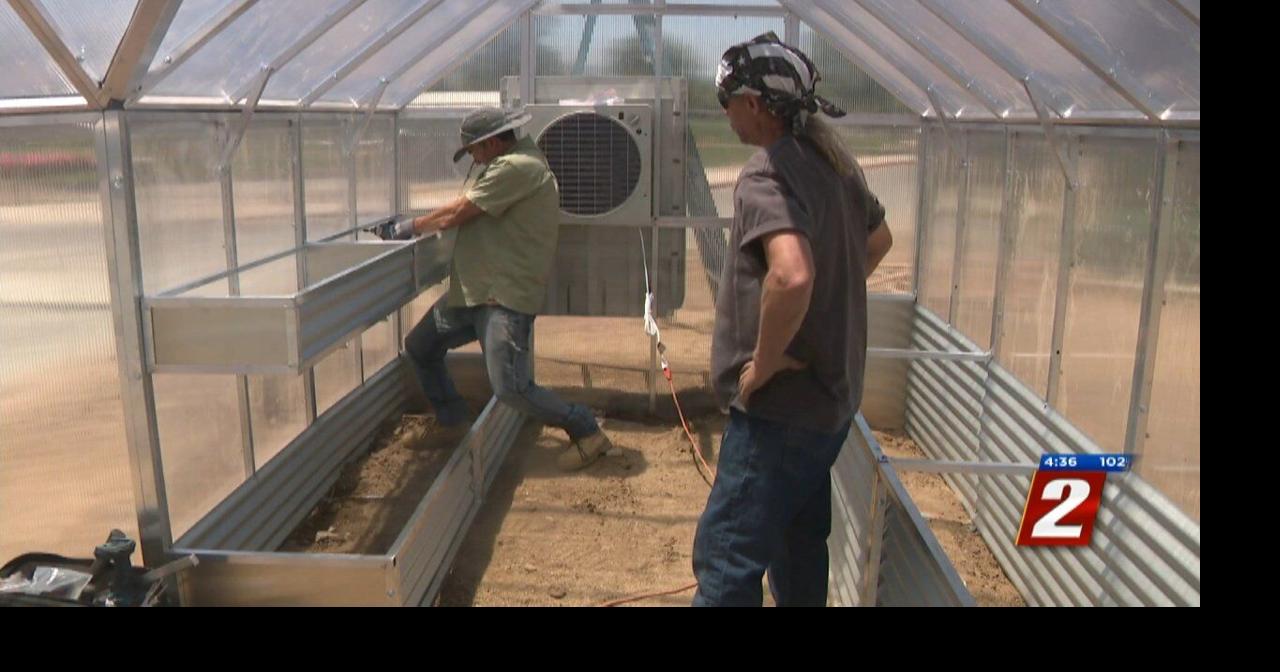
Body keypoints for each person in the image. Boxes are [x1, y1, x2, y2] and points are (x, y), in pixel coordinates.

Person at [692, 32, 895, 606]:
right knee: (798, 541)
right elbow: (877, 239)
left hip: (779, 409)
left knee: (727, 557)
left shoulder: (768, 175)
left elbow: (791, 275)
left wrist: (770, 357)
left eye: (727, 102)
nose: (727, 115)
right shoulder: (834, 164)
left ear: (753, 105)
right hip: (828, 402)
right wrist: (828, 304)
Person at [385, 107, 614, 471]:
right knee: (421, 346)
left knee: (510, 387)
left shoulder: (516, 168)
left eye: (473, 151)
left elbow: (459, 211)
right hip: (475, 291)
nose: (473, 159)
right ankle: (451, 421)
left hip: (501, 297)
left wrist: (409, 227)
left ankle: (586, 431)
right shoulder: (507, 166)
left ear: (491, 142)